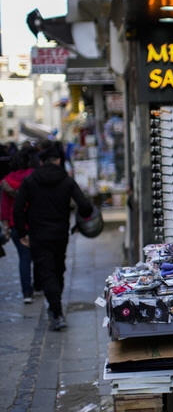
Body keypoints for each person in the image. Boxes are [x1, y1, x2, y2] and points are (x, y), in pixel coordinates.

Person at [13, 141, 93, 331]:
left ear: (42, 162)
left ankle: (56, 311)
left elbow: (18, 209)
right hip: (60, 233)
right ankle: (56, 309)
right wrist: (79, 224)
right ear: (58, 160)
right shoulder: (66, 180)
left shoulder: (30, 181)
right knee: (58, 270)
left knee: (46, 271)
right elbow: (86, 206)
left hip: (38, 234)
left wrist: (23, 232)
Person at [1, 146, 37, 303]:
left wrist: (5, 225)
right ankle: (39, 284)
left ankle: (27, 293)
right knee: (38, 256)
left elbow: (4, 206)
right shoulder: (34, 178)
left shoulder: (7, 182)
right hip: (35, 222)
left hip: (16, 225)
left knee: (24, 258)